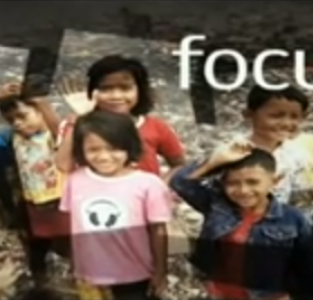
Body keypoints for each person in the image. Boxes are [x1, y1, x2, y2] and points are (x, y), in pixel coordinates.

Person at [168, 141, 313, 300]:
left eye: (253, 182)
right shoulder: (218, 207)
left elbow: (312, 269)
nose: (243, 191)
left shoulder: (293, 220)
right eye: (233, 183)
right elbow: (179, 182)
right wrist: (214, 160)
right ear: (222, 184)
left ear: (274, 181)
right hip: (218, 293)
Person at [59, 110, 172, 300]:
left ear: (129, 147)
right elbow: (75, 227)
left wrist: (160, 271)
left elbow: (158, 231)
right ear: (81, 150)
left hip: (134, 274)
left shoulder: (149, 185)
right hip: (89, 274)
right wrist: (75, 264)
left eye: (113, 149)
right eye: (93, 150)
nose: (103, 157)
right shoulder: (75, 181)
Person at [241, 84, 313, 253]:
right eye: (276, 116)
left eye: (294, 117)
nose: (286, 123)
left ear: (304, 116)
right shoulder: (237, 153)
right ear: (249, 115)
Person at [55, 55, 185, 177]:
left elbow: (179, 165)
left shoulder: (156, 127)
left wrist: (159, 185)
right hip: (94, 199)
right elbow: (63, 166)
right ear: (91, 92)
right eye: (105, 89)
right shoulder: (75, 125)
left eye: (125, 88)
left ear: (140, 90)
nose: (116, 96)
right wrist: (79, 119)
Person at [0, 90, 69, 286]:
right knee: (36, 246)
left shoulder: (53, 136)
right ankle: (41, 283)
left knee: (69, 246)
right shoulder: (13, 138)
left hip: (60, 202)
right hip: (33, 204)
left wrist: (40, 101)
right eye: (11, 120)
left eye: (22, 116)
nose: (17, 123)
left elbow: (58, 128)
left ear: (41, 112)